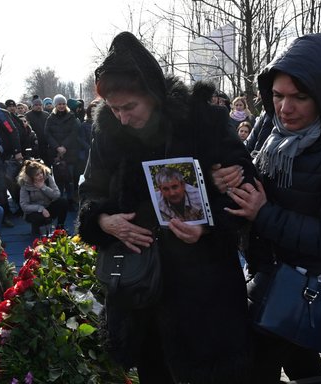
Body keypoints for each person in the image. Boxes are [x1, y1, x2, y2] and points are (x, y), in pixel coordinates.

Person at [77, 31, 256, 383]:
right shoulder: (108, 133)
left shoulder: (203, 121)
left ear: (154, 95)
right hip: (141, 288)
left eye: (130, 107)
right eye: (114, 109)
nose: (123, 117)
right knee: (154, 370)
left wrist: (208, 225)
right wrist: (103, 220)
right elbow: (89, 191)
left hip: (204, 288)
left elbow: (246, 189)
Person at [212, 33, 321, 382]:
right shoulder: (271, 124)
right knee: (299, 356)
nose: (284, 108)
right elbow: (250, 172)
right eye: (277, 95)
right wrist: (226, 177)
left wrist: (263, 213)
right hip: (267, 265)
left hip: (310, 282)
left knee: (256, 361)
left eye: (300, 97)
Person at [44, 93, 80, 208]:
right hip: (56, 153)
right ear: (55, 105)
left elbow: (74, 133)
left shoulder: (71, 116)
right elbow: (47, 134)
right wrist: (57, 147)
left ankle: (70, 200)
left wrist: (64, 146)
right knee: (58, 179)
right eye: (59, 104)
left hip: (69, 152)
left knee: (69, 178)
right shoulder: (50, 118)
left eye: (63, 103)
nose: (61, 106)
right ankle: (60, 200)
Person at [18, 159, 68, 235]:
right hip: (35, 211)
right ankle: (36, 227)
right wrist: (40, 209)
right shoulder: (25, 185)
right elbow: (24, 206)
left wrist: (43, 187)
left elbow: (57, 194)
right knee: (38, 218)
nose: (41, 175)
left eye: (41, 172)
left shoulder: (47, 177)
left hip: (49, 206)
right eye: (37, 175)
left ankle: (60, 226)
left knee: (63, 202)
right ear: (31, 177)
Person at [25, 95, 50, 162]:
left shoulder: (46, 114)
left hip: (45, 144)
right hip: (34, 144)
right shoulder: (28, 115)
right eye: (36, 105)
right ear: (32, 106)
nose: (38, 106)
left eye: (40, 105)